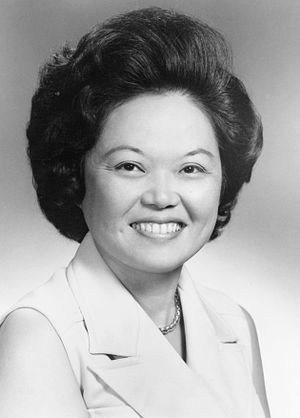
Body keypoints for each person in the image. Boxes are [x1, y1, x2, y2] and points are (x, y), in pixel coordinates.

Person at [0, 7, 270, 418]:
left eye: (191, 168)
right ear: (76, 174)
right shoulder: (40, 333)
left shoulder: (235, 324)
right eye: (130, 166)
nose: (162, 197)